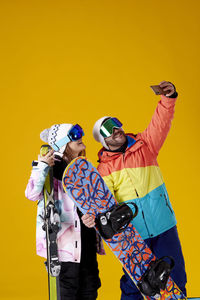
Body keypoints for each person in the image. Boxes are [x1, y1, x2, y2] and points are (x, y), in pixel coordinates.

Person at [83, 81, 187, 299]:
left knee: (174, 279)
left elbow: (161, 123)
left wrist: (168, 98)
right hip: (134, 235)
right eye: (109, 130)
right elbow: (101, 205)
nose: (116, 130)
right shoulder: (103, 170)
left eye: (116, 124)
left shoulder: (145, 145)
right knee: (136, 285)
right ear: (104, 140)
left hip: (163, 225)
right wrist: (92, 223)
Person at [25, 123, 105, 300]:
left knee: (90, 289)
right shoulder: (51, 169)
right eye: (75, 135)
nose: (81, 137)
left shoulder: (84, 169)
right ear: (63, 142)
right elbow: (32, 194)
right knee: (67, 291)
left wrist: (94, 217)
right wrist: (42, 166)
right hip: (64, 247)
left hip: (88, 242)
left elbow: (96, 202)